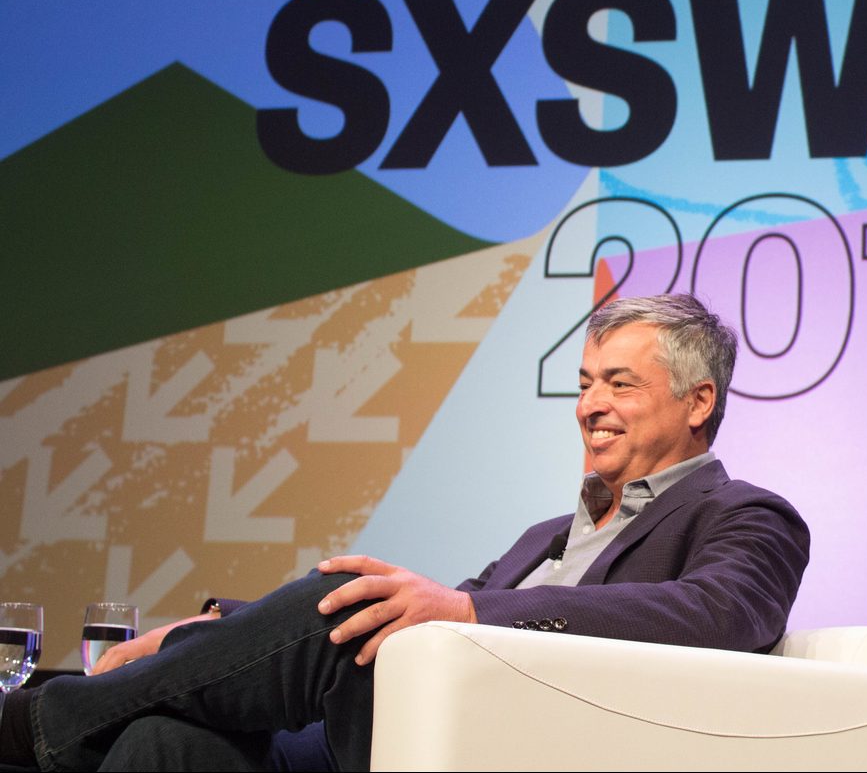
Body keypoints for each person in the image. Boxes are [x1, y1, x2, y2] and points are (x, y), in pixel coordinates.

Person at [0, 294, 809, 771]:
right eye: (585, 382)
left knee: (339, 601)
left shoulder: (745, 514)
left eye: (620, 384)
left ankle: (33, 722)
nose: (589, 405)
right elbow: (445, 603)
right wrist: (213, 628)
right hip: (409, 730)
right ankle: (67, 721)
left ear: (699, 402)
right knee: (160, 742)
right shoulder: (546, 533)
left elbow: (720, 615)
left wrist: (463, 616)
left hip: (517, 747)